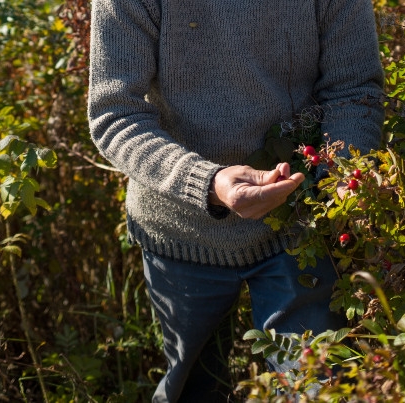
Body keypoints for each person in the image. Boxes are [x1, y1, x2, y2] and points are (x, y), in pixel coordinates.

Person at [87, 0, 384, 401]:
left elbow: (354, 90)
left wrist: (334, 185)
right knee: (192, 386)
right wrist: (207, 182)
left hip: (298, 227)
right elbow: (115, 115)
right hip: (179, 228)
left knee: (317, 388)